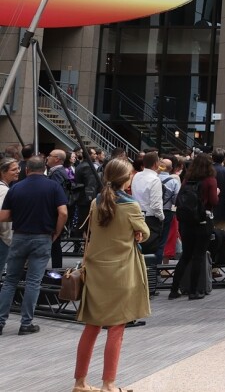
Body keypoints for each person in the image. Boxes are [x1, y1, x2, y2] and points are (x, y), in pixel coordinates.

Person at [73, 158, 150, 392]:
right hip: (121, 273)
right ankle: (109, 384)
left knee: (92, 327)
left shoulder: (97, 202)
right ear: (127, 179)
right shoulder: (131, 206)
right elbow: (144, 233)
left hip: (96, 271)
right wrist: (137, 234)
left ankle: (80, 382)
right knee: (116, 329)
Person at [0, 155, 68, 336]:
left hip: (20, 236)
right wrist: (56, 232)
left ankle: (0, 321)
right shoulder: (53, 187)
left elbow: (4, 216)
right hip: (42, 237)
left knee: (10, 281)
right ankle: (26, 323)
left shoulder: (16, 188)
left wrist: (21, 215)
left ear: (26, 169)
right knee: (33, 282)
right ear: (44, 168)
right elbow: (63, 212)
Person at [169, 153, 218, 301]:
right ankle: (194, 290)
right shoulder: (210, 180)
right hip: (203, 221)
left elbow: (179, 200)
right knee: (198, 255)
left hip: (186, 222)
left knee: (186, 255)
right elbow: (214, 201)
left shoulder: (187, 180)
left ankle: (174, 289)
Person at [0, 158, 18, 269]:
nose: (18, 171)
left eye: (18, 168)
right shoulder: (4, 191)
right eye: (14, 169)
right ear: (3, 172)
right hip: (2, 238)